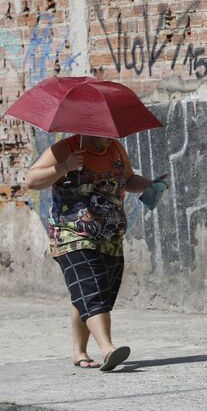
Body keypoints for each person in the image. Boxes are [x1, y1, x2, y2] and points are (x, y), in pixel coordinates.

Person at [25, 134, 162, 371]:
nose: (109, 139)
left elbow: (127, 180)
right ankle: (108, 348)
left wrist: (150, 185)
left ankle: (79, 352)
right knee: (92, 287)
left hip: (110, 238)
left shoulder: (116, 150)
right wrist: (64, 166)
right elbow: (32, 180)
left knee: (91, 292)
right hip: (71, 235)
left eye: (112, 135)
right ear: (87, 129)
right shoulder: (65, 148)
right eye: (104, 135)